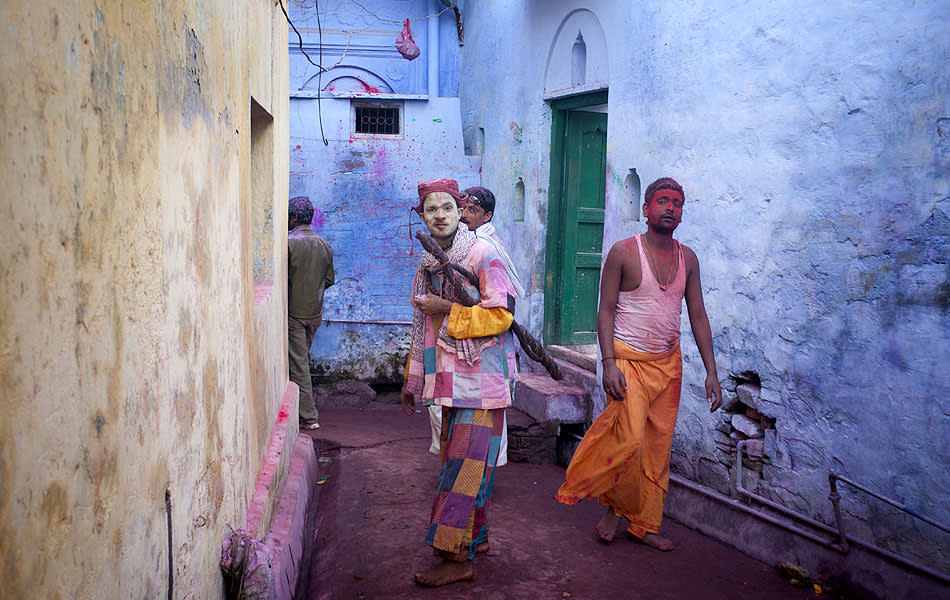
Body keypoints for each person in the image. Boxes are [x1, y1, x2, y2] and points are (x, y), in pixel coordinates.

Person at [555, 177, 723, 551]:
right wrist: (608, 363)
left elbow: (697, 314)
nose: (670, 208)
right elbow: (606, 311)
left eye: (677, 203)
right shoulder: (623, 253)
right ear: (645, 210)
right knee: (629, 440)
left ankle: (645, 523)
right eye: (662, 201)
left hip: (669, 366)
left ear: (682, 214)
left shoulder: (688, 259)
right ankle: (614, 509)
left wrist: (712, 371)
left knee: (657, 447)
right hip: (628, 361)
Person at [401, 178, 518, 586]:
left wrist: (446, 307)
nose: (440, 216)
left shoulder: (483, 254)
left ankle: (455, 557)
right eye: (431, 209)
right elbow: (421, 324)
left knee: (461, 472)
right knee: (472, 467)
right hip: (451, 381)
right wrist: (412, 378)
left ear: (460, 210)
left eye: (447, 208)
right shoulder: (429, 264)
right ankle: (477, 537)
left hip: (482, 382)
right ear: (421, 215)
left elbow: (501, 316)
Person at [288, 196, 335, 430]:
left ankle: (308, 416)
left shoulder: (288, 244)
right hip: (314, 314)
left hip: (294, 314)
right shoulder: (324, 246)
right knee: (302, 359)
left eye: (289, 216)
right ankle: (302, 410)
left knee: (298, 366)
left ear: (294, 218)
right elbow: (328, 280)